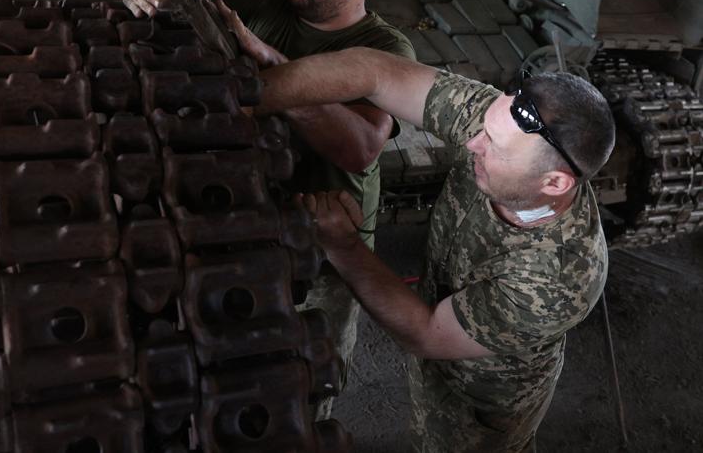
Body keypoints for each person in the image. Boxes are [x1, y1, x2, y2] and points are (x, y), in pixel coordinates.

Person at [119, 0, 416, 414]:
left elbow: (361, 145)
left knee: (307, 386)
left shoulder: (385, 47)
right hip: (241, 228)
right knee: (230, 379)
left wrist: (271, 66)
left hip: (328, 250)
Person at [256, 47, 615, 452]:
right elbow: (377, 73)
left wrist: (342, 244)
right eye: (484, 128)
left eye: (494, 146)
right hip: (434, 354)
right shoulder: (502, 125)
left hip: (481, 400)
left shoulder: (559, 277)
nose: (473, 142)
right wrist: (255, 91)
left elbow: (426, 333)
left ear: (554, 183)